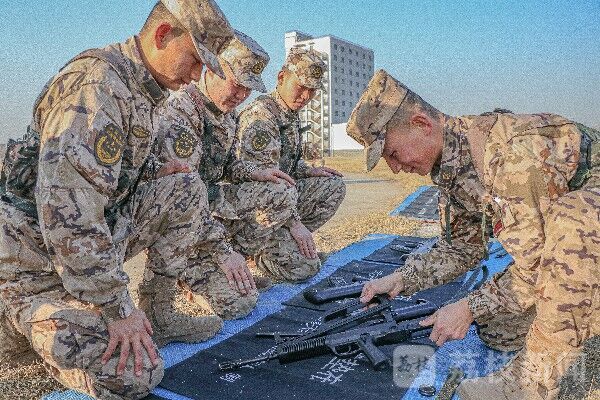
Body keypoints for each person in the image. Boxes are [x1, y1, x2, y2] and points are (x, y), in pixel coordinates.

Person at [0, 1, 235, 398]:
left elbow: (114, 172)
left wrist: (156, 171)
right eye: (195, 60)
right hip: (32, 258)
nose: (197, 76)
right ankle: (19, 314)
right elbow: (69, 212)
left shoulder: (143, 90)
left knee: (184, 186)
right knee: (134, 374)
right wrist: (116, 308)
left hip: (72, 250)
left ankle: (159, 311)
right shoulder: (98, 88)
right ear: (163, 35)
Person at [347, 69, 599, 400]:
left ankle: (535, 383)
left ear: (422, 124)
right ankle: (575, 320)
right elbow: (460, 249)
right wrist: (401, 279)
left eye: (392, 153)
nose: (394, 167)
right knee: (499, 329)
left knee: (574, 222)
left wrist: (469, 306)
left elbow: (538, 267)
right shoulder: (453, 168)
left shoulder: (511, 157)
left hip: (585, 233)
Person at [149, 30, 294, 320]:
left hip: (208, 203)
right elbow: (183, 195)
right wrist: (222, 251)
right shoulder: (181, 110)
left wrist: (257, 172)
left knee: (281, 192)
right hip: (178, 221)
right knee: (240, 305)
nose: (241, 95)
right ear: (211, 69)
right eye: (237, 84)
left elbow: (227, 166)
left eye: (248, 89)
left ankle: (232, 264)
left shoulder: (227, 115)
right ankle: (192, 272)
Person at [236, 47, 347, 282]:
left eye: (312, 90)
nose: (306, 96)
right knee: (304, 269)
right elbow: (268, 184)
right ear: (281, 78)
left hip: (279, 200)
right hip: (255, 210)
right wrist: (295, 224)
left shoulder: (288, 112)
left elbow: (285, 164)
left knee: (333, 185)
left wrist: (309, 170)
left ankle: (285, 244)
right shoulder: (261, 117)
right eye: (301, 87)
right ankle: (258, 251)